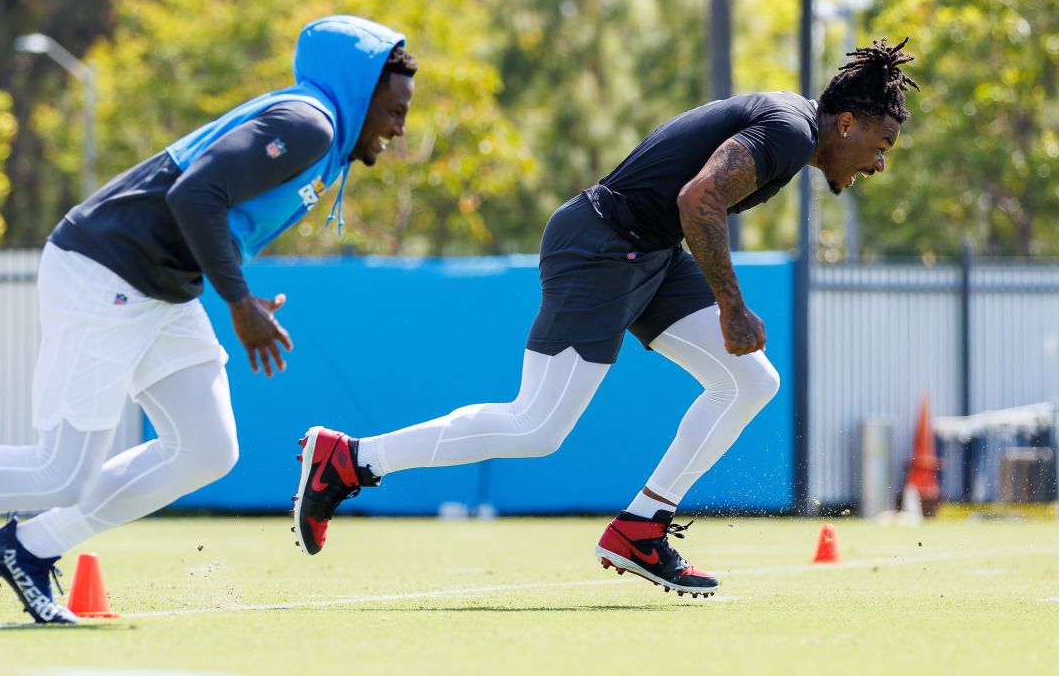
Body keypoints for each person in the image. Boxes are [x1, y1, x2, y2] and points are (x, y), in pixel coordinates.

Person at [0, 15, 416, 623]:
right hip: (106, 270)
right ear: (360, 92)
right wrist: (238, 303)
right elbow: (194, 193)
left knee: (206, 447)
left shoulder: (320, 131)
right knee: (59, 471)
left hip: (161, 284)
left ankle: (31, 546)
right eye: (393, 110)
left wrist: (237, 295)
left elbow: (205, 206)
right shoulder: (310, 123)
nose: (398, 128)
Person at [293, 38, 918, 597]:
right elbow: (700, 198)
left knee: (752, 380)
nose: (880, 163)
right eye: (881, 145)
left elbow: (691, 202)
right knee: (535, 426)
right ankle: (350, 457)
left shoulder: (794, 126)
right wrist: (731, 305)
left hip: (646, 252)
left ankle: (642, 527)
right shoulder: (789, 131)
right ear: (844, 124)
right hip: (602, 243)